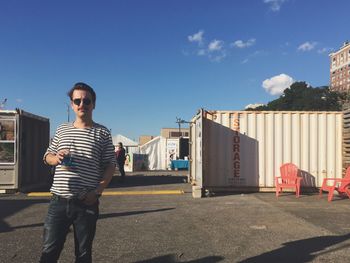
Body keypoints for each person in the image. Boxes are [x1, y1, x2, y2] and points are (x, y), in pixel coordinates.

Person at [40, 82, 116, 263]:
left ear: (93, 104)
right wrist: (56, 158)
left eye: (87, 101)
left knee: (83, 254)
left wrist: (98, 191)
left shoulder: (102, 132)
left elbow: (110, 165)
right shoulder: (62, 129)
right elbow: (47, 156)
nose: (82, 104)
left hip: (87, 203)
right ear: (72, 104)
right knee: (49, 251)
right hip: (59, 201)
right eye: (77, 100)